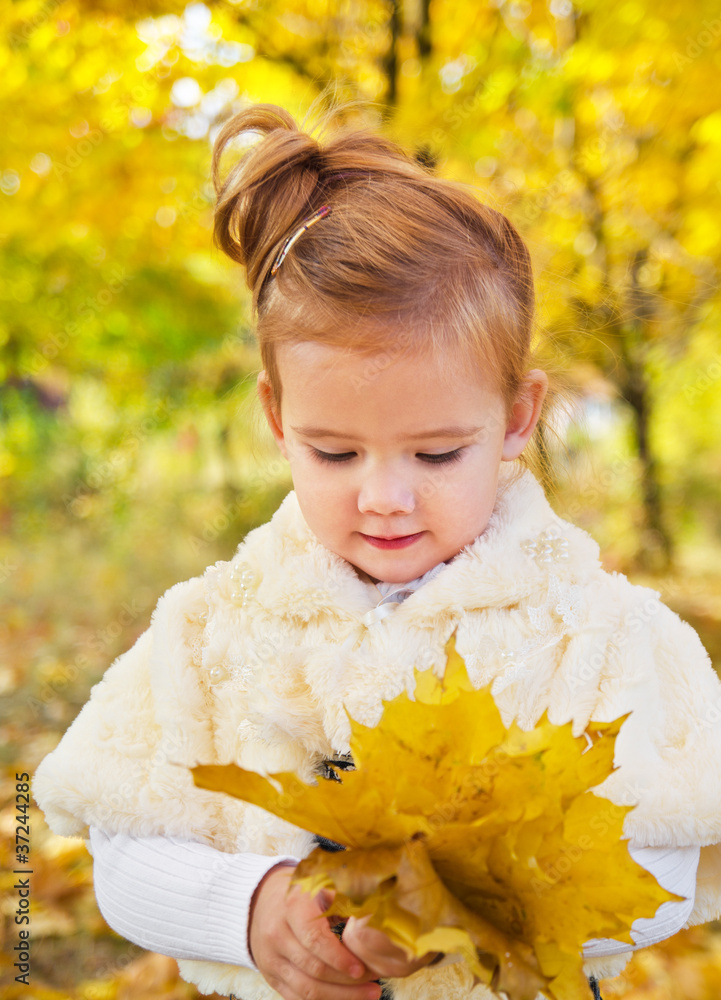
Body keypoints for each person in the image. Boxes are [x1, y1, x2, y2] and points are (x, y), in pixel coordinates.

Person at [33, 102, 721, 1000]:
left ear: (515, 418)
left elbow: (672, 862)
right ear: (279, 419)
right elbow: (123, 846)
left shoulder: (594, 630)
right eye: (334, 452)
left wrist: (476, 903)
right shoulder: (211, 631)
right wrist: (248, 908)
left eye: (436, 454)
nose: (383, 497)